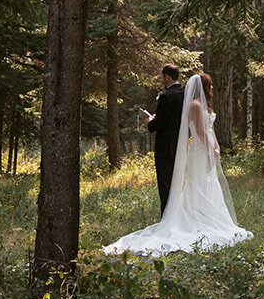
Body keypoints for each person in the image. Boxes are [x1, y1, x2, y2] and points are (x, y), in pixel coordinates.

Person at [104, 72, 252, 258]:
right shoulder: (195, 105)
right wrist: (210, 148)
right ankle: (196, 218)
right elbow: (199, 131)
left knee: (208, 183)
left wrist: (217, 146)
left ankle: (209, 216)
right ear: (203, 86)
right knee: (198, 185)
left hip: (207, 149)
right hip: (199, 151)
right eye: (210, 84)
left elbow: (209, 129)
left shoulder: (203, 105)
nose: (213, 88)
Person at [145, 65, 185, 214]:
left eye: (162, 77)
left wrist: (149, 122)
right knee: (178, 184)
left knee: (166, 185)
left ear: (167, 77)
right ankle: (179, 214)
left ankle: (168, 217)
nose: (162, 80)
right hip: (180, 145)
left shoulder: (166, 96)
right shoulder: (184, 94)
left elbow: (158, 124)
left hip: (165, 148)